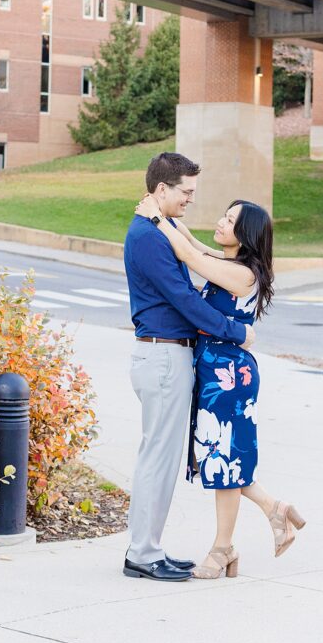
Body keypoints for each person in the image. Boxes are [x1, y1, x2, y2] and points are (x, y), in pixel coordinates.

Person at [135, 193, 306, 580]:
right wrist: (162, 214)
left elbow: (192, 258)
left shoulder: (243, 274)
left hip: (229, 376)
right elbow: (194, 245)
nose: (219, 223)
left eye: (229, 221)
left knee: (222, 459)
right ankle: (263, 518)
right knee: (221, 459)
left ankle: (226, 545)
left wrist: (158, 222)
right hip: (215, 371)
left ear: (244, 235)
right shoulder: (229, 263)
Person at [123, 152, 256, 582]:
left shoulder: (158, 229)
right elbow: (184, 299)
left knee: (159, 457)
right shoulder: (147, 236)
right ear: (162, 190)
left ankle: (150, 548)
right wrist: (237, 333)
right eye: (187, 192)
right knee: (157, 459)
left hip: (168, 354)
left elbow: (195, 252)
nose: (192, 200)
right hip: (162, 354)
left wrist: (170, 223)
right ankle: (142, 554)